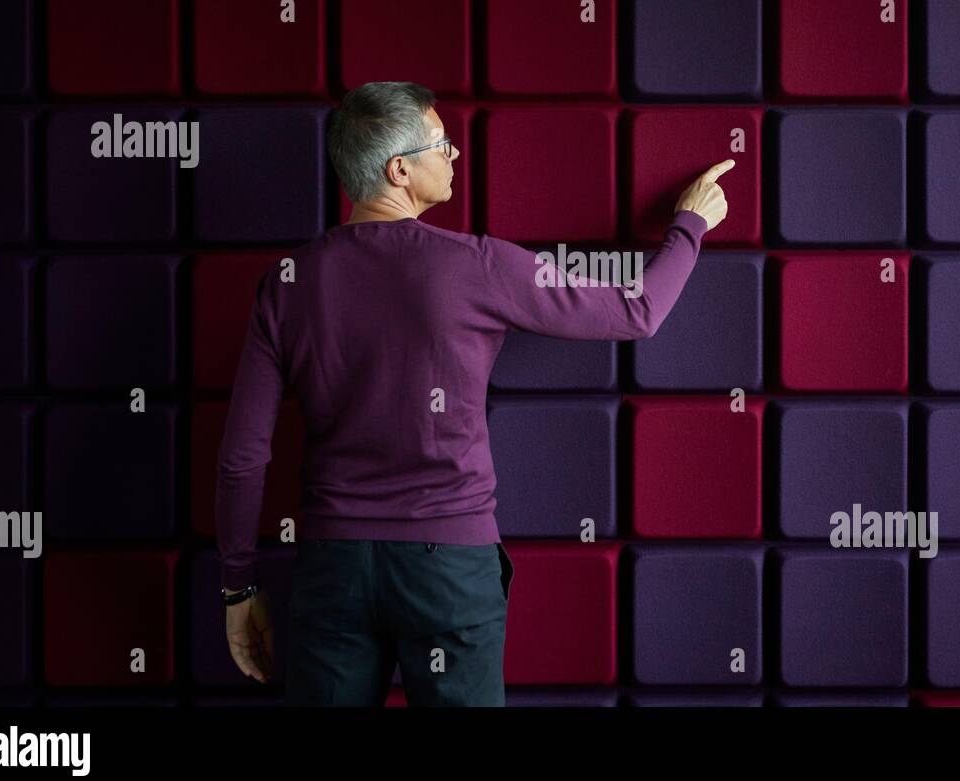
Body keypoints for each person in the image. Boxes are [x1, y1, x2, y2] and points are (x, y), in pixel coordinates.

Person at [217, 81, 733, 705]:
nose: (455, 155)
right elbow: (637, 311)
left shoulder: (286, 282)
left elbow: (243, 455)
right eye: (443, 143)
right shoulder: (476, 264)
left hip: (335, 569)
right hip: (449, 571)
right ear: (399, 169)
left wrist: (238, 587)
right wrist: (690, 224)